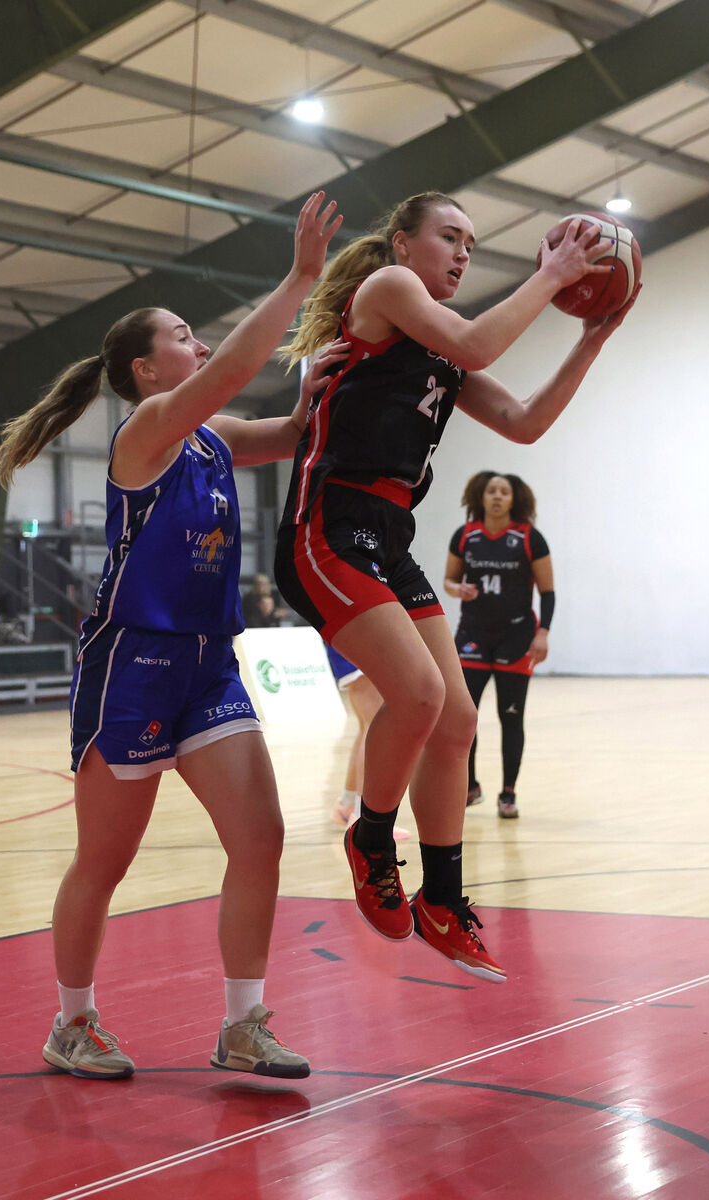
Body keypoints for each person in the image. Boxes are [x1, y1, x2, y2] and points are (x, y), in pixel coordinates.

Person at [0, 191, 342, 1081]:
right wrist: (300, 277)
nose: (197, 341)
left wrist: (342, 362)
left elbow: (299, 434)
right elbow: (225, 377)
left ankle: (242, 1023)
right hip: (131, 667)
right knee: (104, 861)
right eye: (183, 334)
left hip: (206, 665)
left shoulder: (211, 440)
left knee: (260, 836)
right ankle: (71, 1023)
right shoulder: (147, 431)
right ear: (149, 371)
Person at [274, 191, 637, 984]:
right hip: (328, 527)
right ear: (403, 244)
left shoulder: (442, 345)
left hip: (390, 536)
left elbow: (525, 421)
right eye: (450, 237)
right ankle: (372, 840)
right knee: (416, 695)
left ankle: (443, 899)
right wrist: (552, 277)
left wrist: (593, 340)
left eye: (472, 242)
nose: (464, 253)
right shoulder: (390, 292)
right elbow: (478, 344)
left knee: (457, 718)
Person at [444, 471, 553, 820]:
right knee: (464, 716)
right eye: (491, 491)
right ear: (480, 496)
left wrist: (543, 633)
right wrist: (456, 589)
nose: (496, 497)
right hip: (473, 634)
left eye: (503, 492)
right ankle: (470, 786)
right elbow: (449, 580)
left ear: (513, 499)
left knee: (511, 717)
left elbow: (548, 591)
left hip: (517, 637)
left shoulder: (529, 538)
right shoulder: (465, 536)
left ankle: (508, 793)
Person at [326, 643, 410, 840]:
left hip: (351, 638)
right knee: (375, 726)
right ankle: (362, 816)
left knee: (367, 725)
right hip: (359, 636)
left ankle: (347, 805)